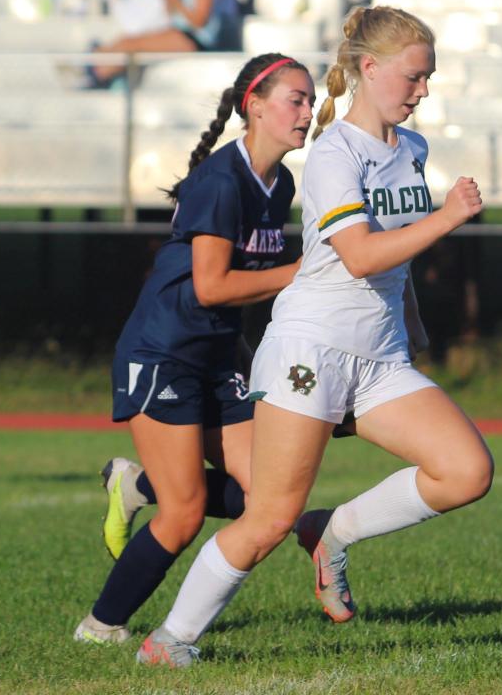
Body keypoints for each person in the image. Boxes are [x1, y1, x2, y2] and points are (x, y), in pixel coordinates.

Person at [133, 5, 493, 668]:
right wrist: (448, 219)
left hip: (380, 356)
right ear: (370, 68)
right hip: (311, 352)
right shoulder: (332, 153)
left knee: (467, 471)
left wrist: (412, 328)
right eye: (413, 77)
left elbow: (395, 258)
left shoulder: (411, 148)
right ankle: (169, 641)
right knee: (268, 518)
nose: (422, 91)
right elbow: (358, 254)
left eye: (428, 79)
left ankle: (332, 532)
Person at [73, 53, 316, 645]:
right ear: (253, 106)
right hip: (163, 355)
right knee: (181, 518)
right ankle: (100, 627)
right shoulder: (220, 180)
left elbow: (245, 290)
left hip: (216, 356)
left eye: (310, 101)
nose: (308, 113)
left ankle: (138, 485)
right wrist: (301, 272)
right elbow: (212, 286)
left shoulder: (280, 182)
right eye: (296, 100)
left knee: (271, 501)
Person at [85, 0, 237, 87]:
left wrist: (173, 0)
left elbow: (199, 21)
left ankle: (95, 75)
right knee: (127, 41)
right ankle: (95, 66)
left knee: (130, 44)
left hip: (194, 40)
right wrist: (169, 1)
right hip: (182, 34)